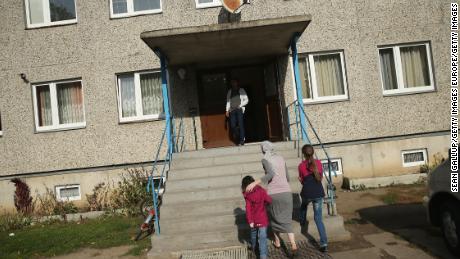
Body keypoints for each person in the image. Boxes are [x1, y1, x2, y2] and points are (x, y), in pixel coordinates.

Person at [246, 141, 298, 255]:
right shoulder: (281, 158)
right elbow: (287, 177)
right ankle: (293, 245)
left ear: (264, 150)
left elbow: (270, 174)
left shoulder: (265, 159)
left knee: (274, 219)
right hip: (286, 192)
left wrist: (255, 183)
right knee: (287, 221)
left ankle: (277, 241)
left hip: (274, 193)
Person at [298, 144, 328, 252]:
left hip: (307, 194)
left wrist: (300, 180)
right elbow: (320, 178)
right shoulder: (319, 163)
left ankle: (302, 220)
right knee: (318, 219)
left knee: (304, 204)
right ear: (313, 152)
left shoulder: (301, 165)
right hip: (319, 194)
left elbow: (302, 181)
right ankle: (324, 243)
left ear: (303, 154)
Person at [242, 175, 272, 259]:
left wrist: (250, 221)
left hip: (254, 220)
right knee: (263, 237)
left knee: (253, 234)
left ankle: (254, 247)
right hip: (263, 219)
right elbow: (269, 200)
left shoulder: (248, 196)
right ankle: (263, 256)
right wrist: (265, 203)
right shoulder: (261, 190)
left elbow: (248, 209)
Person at [225, 79, 248, 145]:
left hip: (239, 109)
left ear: (237, 83)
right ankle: (238, 136)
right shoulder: (230, 91)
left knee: (241, 124)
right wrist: (227, 110)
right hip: (232, 110)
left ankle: (242, 140)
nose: (234, 83)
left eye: (235, 82)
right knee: (232, 126)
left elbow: (246, 100)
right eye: (232, 82)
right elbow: (228, 102)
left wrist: (240, 105)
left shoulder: (241, 90)